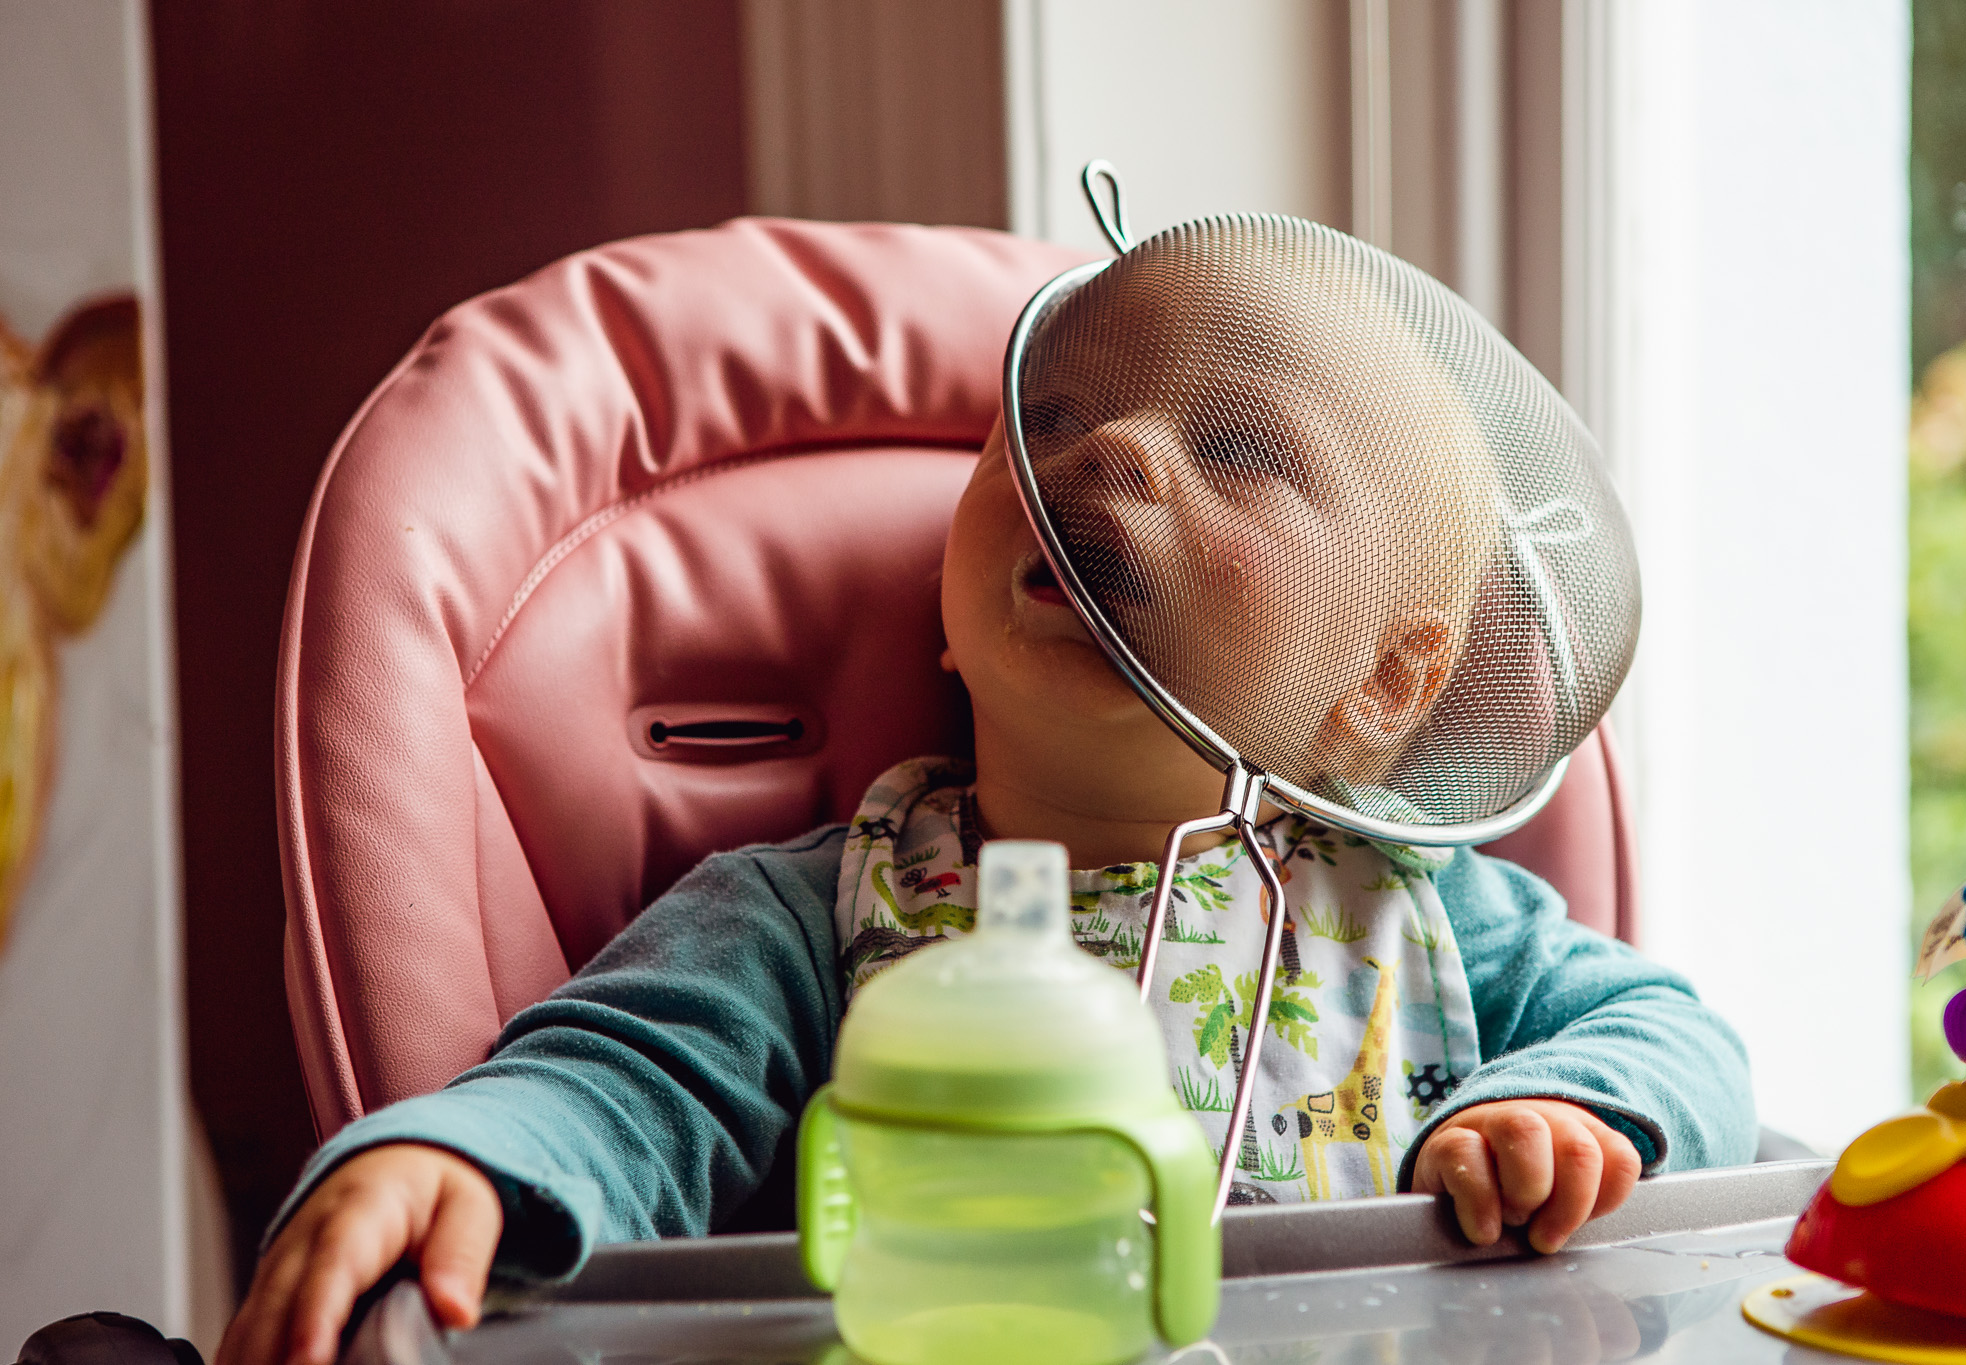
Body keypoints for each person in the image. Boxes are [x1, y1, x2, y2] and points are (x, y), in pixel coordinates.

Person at [219, 239, 1755, 1365]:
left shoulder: (1424, 912)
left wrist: (1556, 1113)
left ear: (1388, 685)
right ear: (947, 618)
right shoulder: (818, 909)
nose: (1112, 452)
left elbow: (1685, 1043)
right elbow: (619, 1086)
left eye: (1232, 447)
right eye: (1055, 418)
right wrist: (462, 1153)